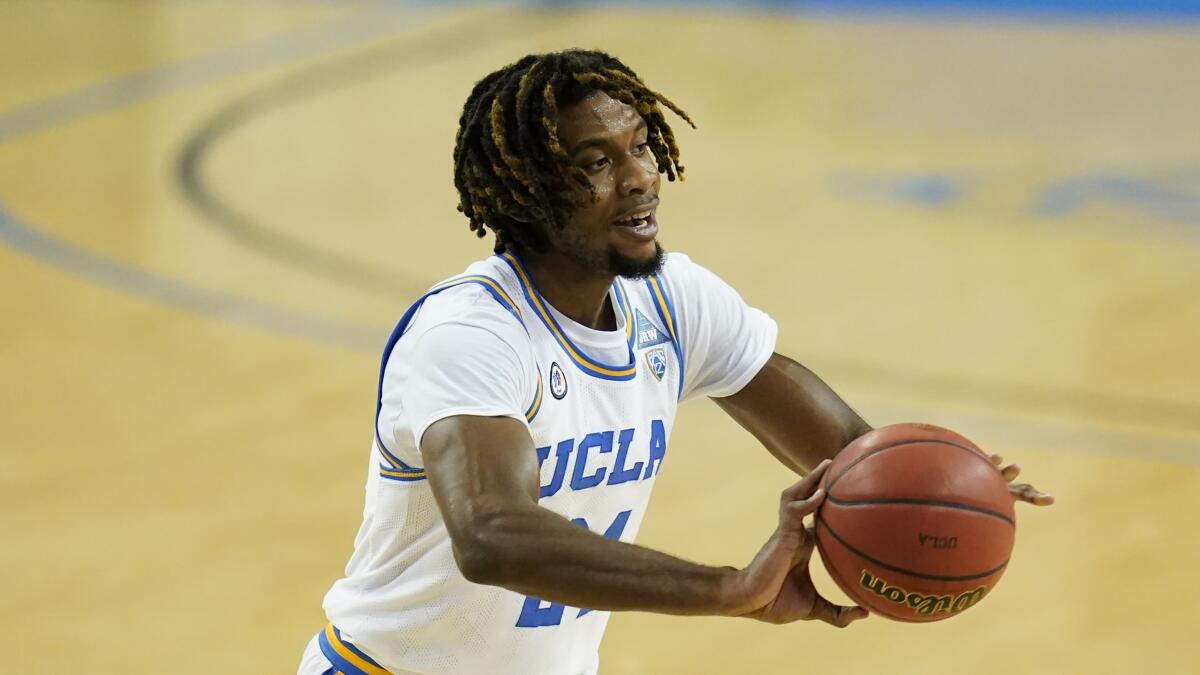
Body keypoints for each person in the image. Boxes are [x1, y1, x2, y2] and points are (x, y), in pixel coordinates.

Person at [297, 49, 1052, 675]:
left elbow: (847, 456)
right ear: (524, 190)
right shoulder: (470, 334)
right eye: (596, 161)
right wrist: (729, 588)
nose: (639, 177)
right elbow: (492, 533)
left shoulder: (670, 299)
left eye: (641, 147)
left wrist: (939, 487)